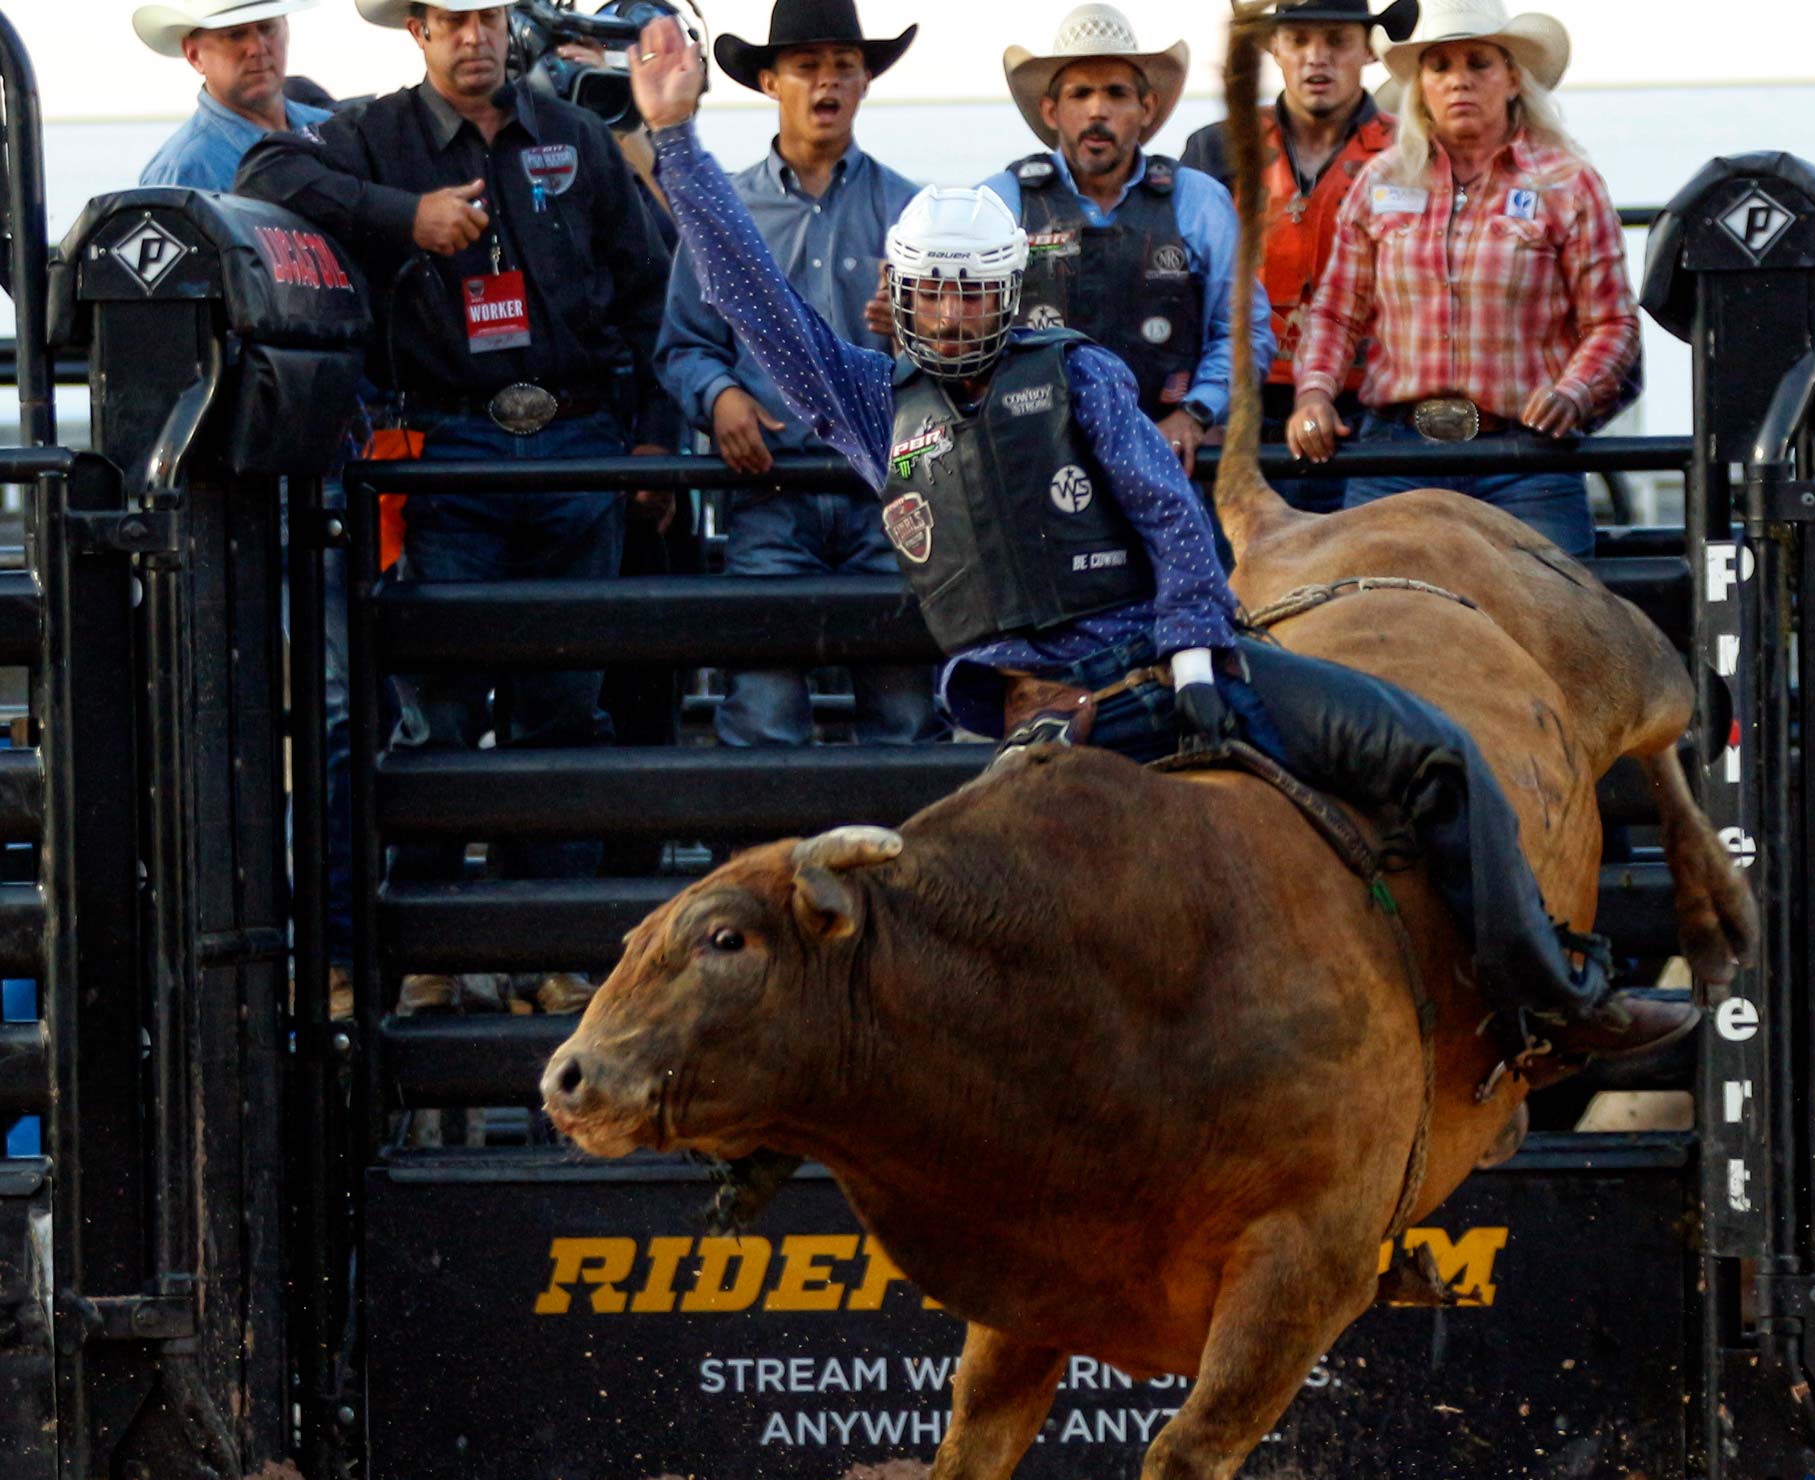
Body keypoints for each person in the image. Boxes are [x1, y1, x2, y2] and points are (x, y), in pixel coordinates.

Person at [625, 13, 1693, 1067]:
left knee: (1435, 755)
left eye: (970, 291)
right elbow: (752, 299)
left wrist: (1191, 653)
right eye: (932, 294)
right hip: (1037, 715)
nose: (950, 315)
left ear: (1005, 290)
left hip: (1162, 668)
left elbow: (1168, 512)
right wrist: (674, 141)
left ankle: (1541, 996)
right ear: (899, 300)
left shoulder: (1075, 372)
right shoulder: (866, 405)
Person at [239, 0, 672, 1017]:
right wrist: (408, 216)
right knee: (435, 712)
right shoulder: (370, 134)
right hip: (444, 452)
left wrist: (649, 432)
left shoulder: (574, 137)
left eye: (484, 15)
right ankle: (429, 950)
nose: (471, 35)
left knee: (564, 710)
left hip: (574, 446)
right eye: (449, 18)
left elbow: (650, 287)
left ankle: (548, 952)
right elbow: (263, 175)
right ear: (418, 33)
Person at [657, 0, 936, 752]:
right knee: (764, 712)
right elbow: (683, 346)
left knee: (905, 715)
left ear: (866, 81)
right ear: (771, 82)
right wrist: (722, 399)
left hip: (889, 499)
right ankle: (768, 869)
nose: (828, 82)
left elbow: (957, 368)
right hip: (772, 497)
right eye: (808, 66)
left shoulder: (914, 213)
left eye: (845, 65)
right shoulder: (726, 212)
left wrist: (912, 338)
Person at [1285, 0, 1640, 563]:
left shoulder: (1568, 183)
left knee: (1554, 631)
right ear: (1420, 86)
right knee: (1372, 628)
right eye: (1440, 67)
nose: (1459, 82)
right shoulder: (1380, 181)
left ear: (1514, 78)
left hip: (1526, 458)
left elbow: (1613, 323)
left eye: (1479, 64)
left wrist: (1572, 392)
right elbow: (1334, 312)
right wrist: (1314, 395)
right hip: (1396, 458)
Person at [986, 5, 1275, 472]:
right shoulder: (1001, 204)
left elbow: (1244, 329)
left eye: (1116, 93)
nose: (1098, 110)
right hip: (1036, 465)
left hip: (1168, 459)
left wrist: (1195, 412)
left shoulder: (1198, 201)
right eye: (1081, 93)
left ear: (1147, 107)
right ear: (1051, 110)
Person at [1181, 0, 1419, 513]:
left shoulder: (1412, 152)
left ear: (1369, 51)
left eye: (1336, 41)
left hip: (1369, 415)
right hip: (1240, 412)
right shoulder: (1215, 148)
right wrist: (1197, 408)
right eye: (1299, 40)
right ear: (1273, 47)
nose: (1317, 58)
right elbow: (1181, 287)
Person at [136, 0, 331, 190]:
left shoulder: (332, 127)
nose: (257, 48)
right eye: (235, 35)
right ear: (194, 55)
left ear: (286, 32)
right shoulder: (183, 173)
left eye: (266, 28)